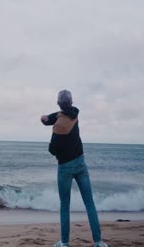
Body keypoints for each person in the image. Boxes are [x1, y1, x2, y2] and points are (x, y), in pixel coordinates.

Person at [41, 90, 108, 247]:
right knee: (89, 203)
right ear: (71, 102)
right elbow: (57, 115)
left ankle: (64, 243)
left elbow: (52, 150)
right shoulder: (75, 113)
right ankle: (98, 242)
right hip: (80, 163)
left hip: (65, 167)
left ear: (58, 103)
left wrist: (48, 123)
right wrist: (45, 119)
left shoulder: (58, 128)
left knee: (65, 205)